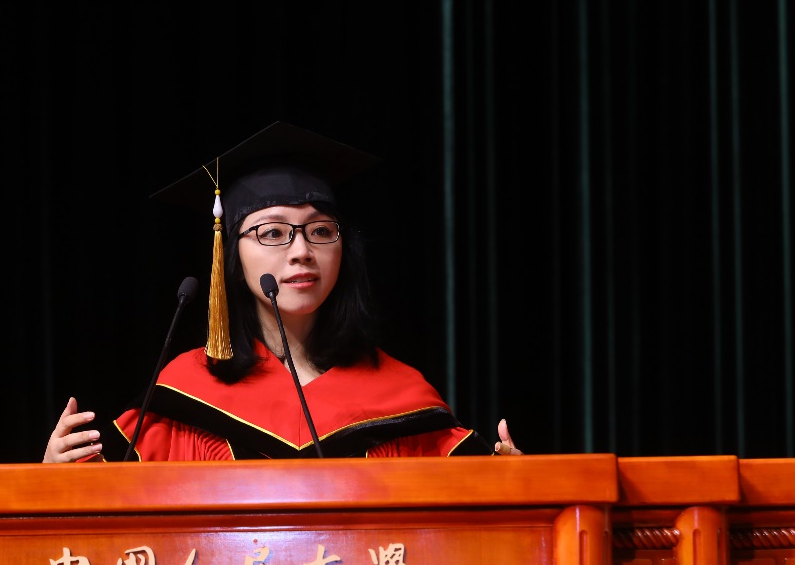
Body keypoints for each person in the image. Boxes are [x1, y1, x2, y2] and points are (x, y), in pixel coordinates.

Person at [43, 122, 521, 463]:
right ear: (231, 258)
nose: (301, 252)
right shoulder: (186, 392)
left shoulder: (400, 395)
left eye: (321, 231)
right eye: (272, 233)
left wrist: (519, 486)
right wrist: (54, 478)